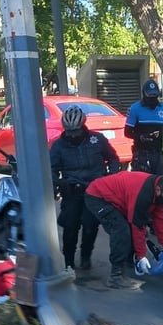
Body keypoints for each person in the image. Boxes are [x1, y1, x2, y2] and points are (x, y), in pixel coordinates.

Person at [50, 106, 121, 272]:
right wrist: (56, 184)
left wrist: (110, 178)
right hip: (72, 191)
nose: (73, 135)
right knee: (70, 227)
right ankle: (68, 261)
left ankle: (86, 256)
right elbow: (51, 169)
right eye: (70, 132)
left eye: (76, 131)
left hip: (95, 191)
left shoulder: (97, 140)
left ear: (83, 126)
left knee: (90, 225)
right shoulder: (58, 145)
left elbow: (113, 159)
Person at [84, 171, 163, 289]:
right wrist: (141, 255)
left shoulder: (162, 194)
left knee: (131, 229)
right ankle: (116, 276)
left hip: (119, 199)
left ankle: (129, 260)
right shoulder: (143, 194)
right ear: (158, 190)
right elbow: (137, 225)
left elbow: (161, 220)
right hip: (98, 197)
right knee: (121, 231)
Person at [125, 79, 163, 174]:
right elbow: (127, 132)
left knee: (161, 179)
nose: (152, 98)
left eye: (154, 95)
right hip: (141, 152)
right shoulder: (135, 108)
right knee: (142, 180)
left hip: (157, 152)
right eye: (150, 95)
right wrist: (141, 136)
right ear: (144, 94)